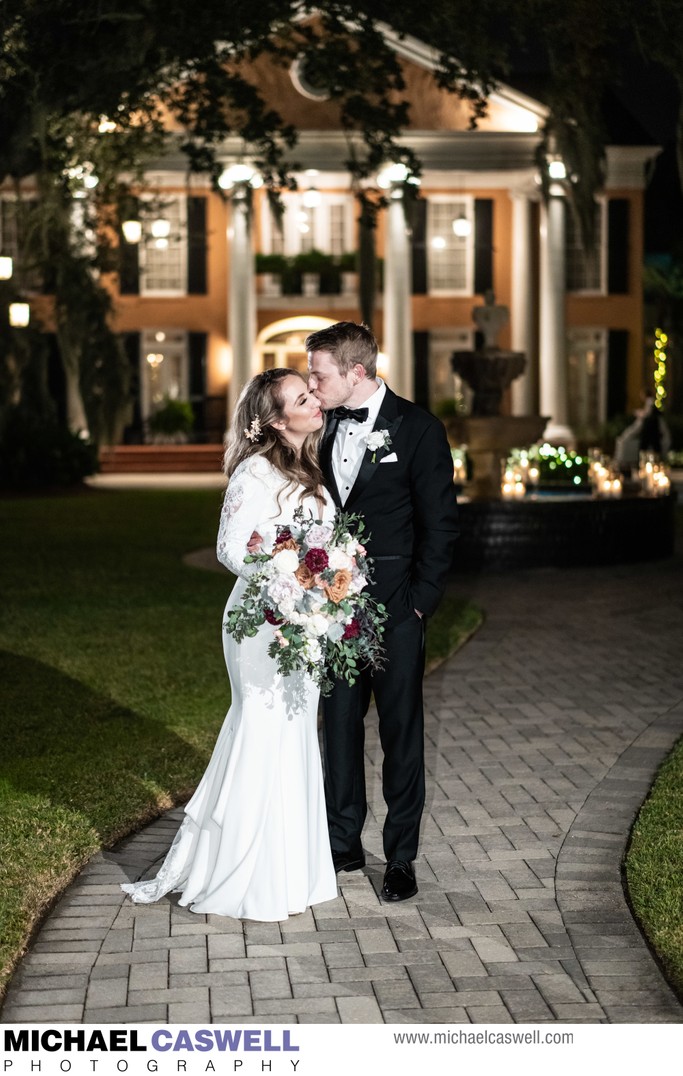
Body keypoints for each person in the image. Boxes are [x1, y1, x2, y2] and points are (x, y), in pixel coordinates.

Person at [121, 369, 338, 921]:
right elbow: (231, 550)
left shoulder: (310, 467)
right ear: (271, 420)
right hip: (261, 625)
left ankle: (293, 873)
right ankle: (242, 875)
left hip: (305, 623)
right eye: (301, 398)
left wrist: (332, 580)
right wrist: (287, 574)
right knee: (262, 733)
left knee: (294, 738)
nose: (314, 400)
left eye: (311, 393)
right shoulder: (255, 471)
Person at [306, 321, 459, 902]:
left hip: (396, 606)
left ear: (356, 373)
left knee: (401, 733)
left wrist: (421, 602)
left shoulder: (418, 429)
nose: (313, 385)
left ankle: (400, 858)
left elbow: (440, 523)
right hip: (333, 607)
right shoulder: (318, 427)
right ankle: (342, 843)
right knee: (339, 727)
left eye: (320, 375)